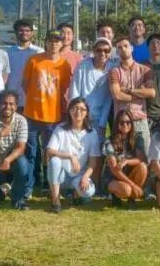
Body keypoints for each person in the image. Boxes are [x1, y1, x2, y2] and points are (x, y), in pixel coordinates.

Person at [22, 30, 72, 198]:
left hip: (53, 116)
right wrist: (36, 98)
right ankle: (28, 186)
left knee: (49, 152)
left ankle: (48, 184)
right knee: (30, 152)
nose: (54, 44)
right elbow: (25, 84)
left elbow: (64, 88)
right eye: (51, 40)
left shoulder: (64, 65)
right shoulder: (34, 60)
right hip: (32, 114)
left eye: (57, 41)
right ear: (46, 42)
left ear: (61, 43)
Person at [46, 97, 102, 213]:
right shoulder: (60, 129)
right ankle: (56, 200)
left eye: (82, 109)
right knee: (54, 161)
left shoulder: (92, 133)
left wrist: (85, 176)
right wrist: (70, 156)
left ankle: (75, 193)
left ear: (86, 113)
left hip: (78, 175)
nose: (78, 112)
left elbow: (93, 162)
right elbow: (49, 151)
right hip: (61, 174)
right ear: (69, 111)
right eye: (75, 108)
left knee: (89, 192)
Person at [110, 36, 155, 152]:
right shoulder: (114, 72)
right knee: (121, 156)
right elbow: (117, 95)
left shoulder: (145, 70)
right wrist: (140, 94)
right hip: (121, 122)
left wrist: (129, 90)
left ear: (132, 48)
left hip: (140, 120)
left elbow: (151, 92)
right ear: (117, 51)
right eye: (119, 47)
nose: (123, 49)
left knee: (144, 156)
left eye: (126, 46)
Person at [69, 37, 113, 145]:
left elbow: (108, 99)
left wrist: (102, 122)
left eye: (106, 50)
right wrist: (76, 115)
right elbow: (74, 91)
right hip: (80, 116)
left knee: (96, 148)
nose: (102, 53)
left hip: (98, 119)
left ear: (110, 52)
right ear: (94, 51)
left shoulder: (112, 69)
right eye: (99, 50)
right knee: (77, 146)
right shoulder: (83, 66)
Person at [103, 109, 148, 209]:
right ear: (117, 124)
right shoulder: (109, 141)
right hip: (113, 178)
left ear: (132, 123)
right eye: (122, 122)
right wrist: (133, 185)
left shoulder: (138, 138)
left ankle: (131, 199)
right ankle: (115, 196)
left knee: (143, 167)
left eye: (128, 122)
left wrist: (127, 161)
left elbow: (141, 159)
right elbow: (114, 169)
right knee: (127, 190)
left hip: (129, 174)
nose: (125, 125)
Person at [6, 19, 43, 110]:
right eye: (21, 30)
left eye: (27, 30)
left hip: (32, 100)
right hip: (12, 101)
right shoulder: (8, 53)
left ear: (32, 33)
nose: (24, 33)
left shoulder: (39, 52)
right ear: (15, 32)